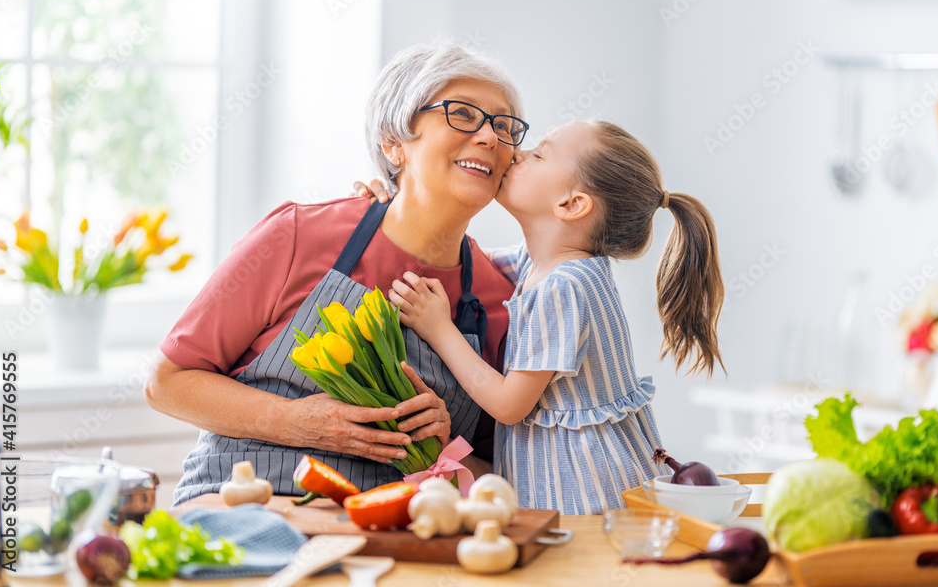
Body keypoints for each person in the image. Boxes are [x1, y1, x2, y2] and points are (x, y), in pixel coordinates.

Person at [144, 42, 531, 504]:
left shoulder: (499, 298)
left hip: (394, 540)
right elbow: (166, 382)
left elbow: (501, 476)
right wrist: (296, 421)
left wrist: (444, 449)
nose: (490, 136)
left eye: (504, 126)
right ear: (394, 142)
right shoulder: (296, 236)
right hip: (247, 507)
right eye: (463, 115)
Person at [385, 120, 726, 515]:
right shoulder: (542, 262)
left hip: (587, 501)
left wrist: (439, 329)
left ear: (571, 204)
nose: (516, 153)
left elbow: (509, 405)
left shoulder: (563, 288)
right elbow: (464, 253)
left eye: (539, 154)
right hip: (575, 493)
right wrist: (394, 197)